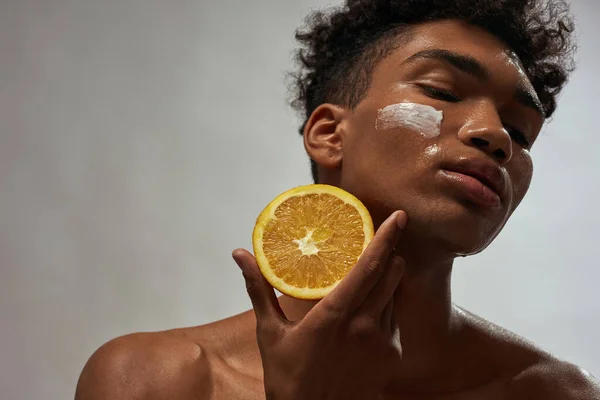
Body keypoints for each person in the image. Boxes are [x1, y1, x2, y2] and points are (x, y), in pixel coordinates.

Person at [75, 0, 600, 399]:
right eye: (441, 91)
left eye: (521, 131)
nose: (496, 136)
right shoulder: (159, 379)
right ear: (329, 134)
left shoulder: (559, 393)